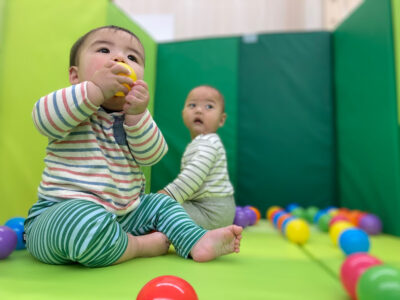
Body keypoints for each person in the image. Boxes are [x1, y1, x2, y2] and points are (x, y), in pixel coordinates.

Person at [24, 25, 242, 268]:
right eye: (104, 50)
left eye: (132, 57)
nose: (119, 59)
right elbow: (43, 119)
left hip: (126, 216)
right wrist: (95, 90)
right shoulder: (69, 107)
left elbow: (153, 155)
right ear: (75, 76)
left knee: (162, 204)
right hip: (60, 214)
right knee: (83, 223)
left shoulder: (134, 118)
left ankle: (195, 240)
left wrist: (138, 117)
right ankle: (137, 246)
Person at [158, 86, 236, 230]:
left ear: (221, 119)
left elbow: (191, 178)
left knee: (162, 213)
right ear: (183, 113)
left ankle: (205, 240)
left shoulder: (209, 143)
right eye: (192, 105)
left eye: (209, 106)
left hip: (211, 211)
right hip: (205, 208)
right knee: (165, 212)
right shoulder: (199, 143)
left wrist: (165, 196)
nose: (199, 110)